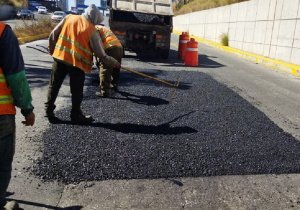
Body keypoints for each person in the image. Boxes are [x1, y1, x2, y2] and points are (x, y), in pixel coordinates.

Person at [46, 4, 120, 124]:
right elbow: (101, 55)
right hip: (76, 64)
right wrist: (114, 62)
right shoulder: (91, 30)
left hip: (59, 58)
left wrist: (52, 50)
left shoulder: (68, 17)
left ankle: (48, 111)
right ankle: (75, 115)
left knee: (54, 86)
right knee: (76, 91)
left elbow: (53, 34)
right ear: (94, 18)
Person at [0, 21, 35, 210]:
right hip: (1, 114)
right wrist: (27, 109)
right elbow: (16, 76)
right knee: (2, 163)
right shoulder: (2, 31)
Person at [95, 24, 123, 97]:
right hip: (119, 47)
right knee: (116, 68)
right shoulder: (103, 28)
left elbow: (96, 44)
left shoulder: (94, 28)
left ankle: (104, 92)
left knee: (105, 69)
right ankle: (114, 85)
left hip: (110, 48)